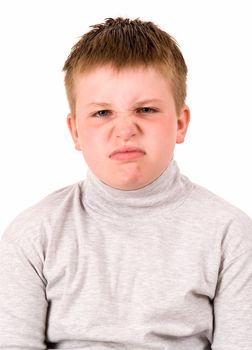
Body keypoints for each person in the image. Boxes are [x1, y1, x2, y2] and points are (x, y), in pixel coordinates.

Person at [0, 17, 251, 350]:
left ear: (179, 123)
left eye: (145, 109)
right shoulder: (35, 234)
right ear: (75, 131)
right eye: (102, 113)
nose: (125, 130)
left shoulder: (230, 234)